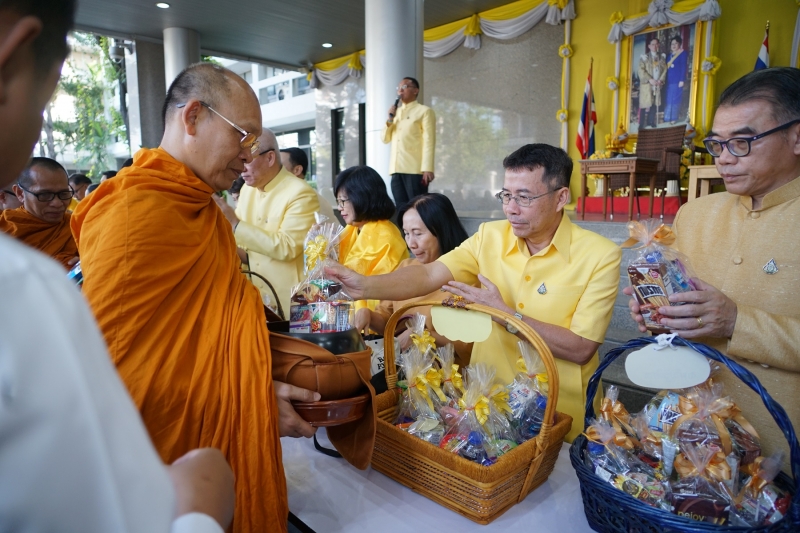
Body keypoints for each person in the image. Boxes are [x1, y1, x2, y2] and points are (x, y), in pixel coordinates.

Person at [0, 1, 234, 532]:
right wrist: (199, 505)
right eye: (50, 88)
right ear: (12, 56)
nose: (247, 154)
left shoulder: (209, 215)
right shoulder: (26, 289)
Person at [72, 63, 319, 533]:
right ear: (192, 118)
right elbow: (115, 377)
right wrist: (246, 397)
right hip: (160, 470)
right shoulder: (134, 211)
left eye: (254, 144)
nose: (248, 158)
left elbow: (214, 325)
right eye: (242, 137)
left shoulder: (203, 207)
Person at [327, 145, 622, 441]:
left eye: (524, 197)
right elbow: (428, 273)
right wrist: (365, 285)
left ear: (561, 198)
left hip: (558, 412)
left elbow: (581, 348)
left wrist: (506, 315)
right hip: (486, 402)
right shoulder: (489, 236)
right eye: (506, 195)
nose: (511, 208)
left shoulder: (600, 255)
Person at [625, 67, 800, 471]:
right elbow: (682, 305)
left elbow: (724, 321)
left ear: (796, 136)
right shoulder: (695, 213)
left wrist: (738, 322)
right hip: (686, 429)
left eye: (742, 142)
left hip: (779, 442)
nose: (723, 158)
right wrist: (658, 314)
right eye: (716, 144)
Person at [354, 193, 472, 365]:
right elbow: (388, 321)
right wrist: (369, 316)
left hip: (448, 381)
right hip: (403, 375)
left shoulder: (466, 277)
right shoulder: (406, 268)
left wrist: (423, 336)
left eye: (417, 234)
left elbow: (468, 345)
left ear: (442, 230)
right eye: (407, 234)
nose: (411, 243)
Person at [214, 128, 320, 314]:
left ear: (270, 158)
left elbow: (287, 247)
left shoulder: (300, 193)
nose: (241, 168)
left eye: (247, 160)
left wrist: (235, 224)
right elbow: (244, 247)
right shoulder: (248, 190)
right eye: (239, 161)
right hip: (256, 300)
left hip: (291, 303)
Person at [335, 165, 409, 312]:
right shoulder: (354, 229)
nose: (339, 208)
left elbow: (355, 276)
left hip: (378, 317)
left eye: (343, 201)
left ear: (361, 197)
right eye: (338, 202)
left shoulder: (384, 234)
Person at [0, 157, 78, 269]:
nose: (57, 203)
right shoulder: (4, 228)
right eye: (44, 195)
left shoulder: (78, 225)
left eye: (64, 193)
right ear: (20, 193)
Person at [382, 76, 436, 206]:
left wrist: (427, 168)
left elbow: (429, 140)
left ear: (415, 90)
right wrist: (390, 119)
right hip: (396, 169)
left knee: (417, 207)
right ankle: (403, 228)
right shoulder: (396, 113)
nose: (400, 90)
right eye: (399, 88)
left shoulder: (424, 111)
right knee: (401, 207)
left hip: (415, 169)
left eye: (404, 87)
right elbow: (385, 139)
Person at [280, 146, 337, 222]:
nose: (274, 170)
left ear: (297, 170)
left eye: (280, 166)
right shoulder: (290, 193)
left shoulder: (303, 196)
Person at [638, 37, 666, 129]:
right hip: (647, 84)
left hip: (657, 84)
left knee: (654, 103)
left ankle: (651, 122)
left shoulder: (661, 58)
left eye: (656, 44)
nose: (655, 46)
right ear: (649, 46)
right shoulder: (644, 57)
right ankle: (641, 124)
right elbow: (641, 71)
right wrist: (650, 79)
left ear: (658, 45)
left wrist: (660, 80)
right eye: (653, 44)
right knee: (644, 104)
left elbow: (665, 70)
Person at [664, 35, 687, 124]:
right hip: (669, 81)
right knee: (669, 99)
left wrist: (682, 80)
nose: (673, 45)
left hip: (677, 81)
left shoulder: (682, 53)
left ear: (680, 44)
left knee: (675, 99)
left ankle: (673, 118)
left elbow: (683, 67)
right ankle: (667, 117)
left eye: (676, 43)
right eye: (672, 44)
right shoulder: (669, 56)